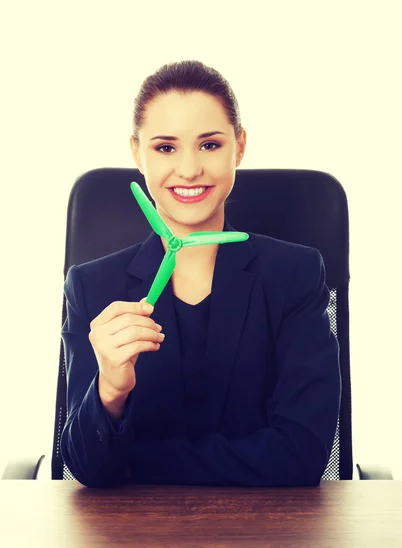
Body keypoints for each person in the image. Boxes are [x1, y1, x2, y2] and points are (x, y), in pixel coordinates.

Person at [61, 60, 341, 488]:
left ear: (239, 146)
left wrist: (136, 462)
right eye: (165, 147)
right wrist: (110, 392)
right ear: (137, 152)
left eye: (210, 145)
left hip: (265, 529)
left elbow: (301, 456)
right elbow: (87, 470)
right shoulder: (90, 287)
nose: (189, 169)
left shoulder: (296, 276)